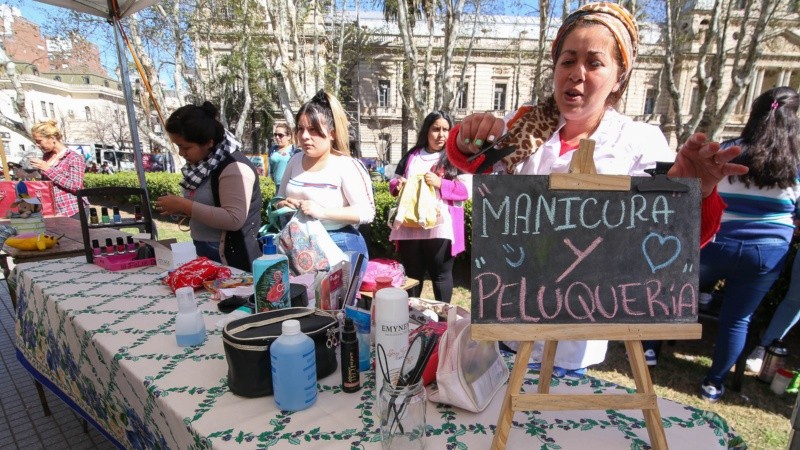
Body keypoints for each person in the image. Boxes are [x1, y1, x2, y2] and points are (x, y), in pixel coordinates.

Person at [446, 3, 748, 380]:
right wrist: (469, 135)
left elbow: (676, 242)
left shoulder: (638, 143)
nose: (577, 74)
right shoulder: (525, 127)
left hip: (575, 337)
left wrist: (696, 193)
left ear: (620, 77)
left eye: (594, 63)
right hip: (506, 320)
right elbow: (469, 158)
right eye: (568, 61)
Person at [695, 87, 799, 400]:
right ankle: (713, 383)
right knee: (737, 320)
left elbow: (701, 194)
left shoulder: (727, 150)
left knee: (676, 297)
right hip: (766, 253)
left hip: (716, 244)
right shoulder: (796, 163)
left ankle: (649, 352)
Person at [155, 102, 263, 272]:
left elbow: (233, 219)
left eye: (185, 147)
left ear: (208, 142)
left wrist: (185, 206)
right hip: (209, 253)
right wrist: (181, 209)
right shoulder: (203, 166)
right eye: (178, 146)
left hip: (232, 260)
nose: (182, 153)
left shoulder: (234, 168)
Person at [276, 89, 374, 267]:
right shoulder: (295, 160)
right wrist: (284, 205)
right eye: (300, 129)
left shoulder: (346, 165)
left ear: (332, 133)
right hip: (298, 245)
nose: (305, 136)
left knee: (336, 296)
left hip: (340, 245)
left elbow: (367, 213)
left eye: (313, 130)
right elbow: (279, 200)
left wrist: (322, 212)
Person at [389, 111, 471, 303]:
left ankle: (443, 323)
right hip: (410, 225)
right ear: (426, 131)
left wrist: (441, 184)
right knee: (412, 276)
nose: (441, 134)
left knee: (441, 275)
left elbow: (465, 191)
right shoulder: (412, 155)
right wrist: (397, 184)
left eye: (446, 130)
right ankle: (412, 319)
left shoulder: (456, 156)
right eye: (436, 129)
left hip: (440, 225)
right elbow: (393, 182)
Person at [28, 120, 87, 218]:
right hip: (52, 211)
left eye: (39, 141)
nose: (37, 145)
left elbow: (76, 187)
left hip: (73, 210)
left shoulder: (73, 157)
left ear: (52, 138)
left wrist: (48, 170)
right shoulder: (46, 157)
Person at [268, 122, 298, 187]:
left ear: (289, 136)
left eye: (280, 135)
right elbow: (271, 170)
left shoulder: (294, 150)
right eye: (275, 134)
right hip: (276, 187)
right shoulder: (273, 150)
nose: (277, 137)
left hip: (290, 186)